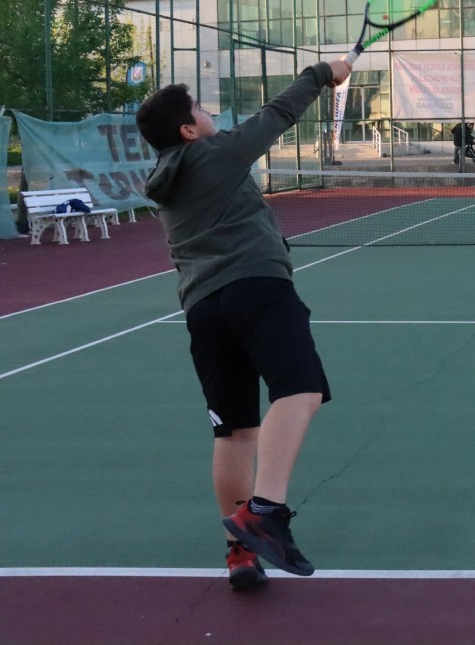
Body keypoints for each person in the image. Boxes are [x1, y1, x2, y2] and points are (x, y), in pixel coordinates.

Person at [135, 57, 352, 590]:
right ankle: (264, 512)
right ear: (188, 130)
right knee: (300, 390)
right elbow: (278, 113)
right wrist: (323, 72)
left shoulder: (165, 179)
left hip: (203, 310)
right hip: (257, 288)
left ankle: (240, 552)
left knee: (234, 432)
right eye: (199, 109)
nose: (208, 113)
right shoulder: (215, 153)